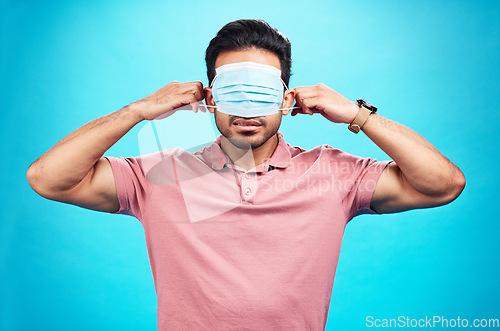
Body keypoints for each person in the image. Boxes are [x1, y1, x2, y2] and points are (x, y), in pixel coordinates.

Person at [27, 19, 465, 330]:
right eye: (234, 91)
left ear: (286, 98)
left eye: (262, 92)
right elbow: (49, 178)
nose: (247, 109)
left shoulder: (334, 173)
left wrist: (358, 115)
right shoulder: (161, 173)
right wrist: (137, 111)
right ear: (211, 97)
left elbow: (444, 185)